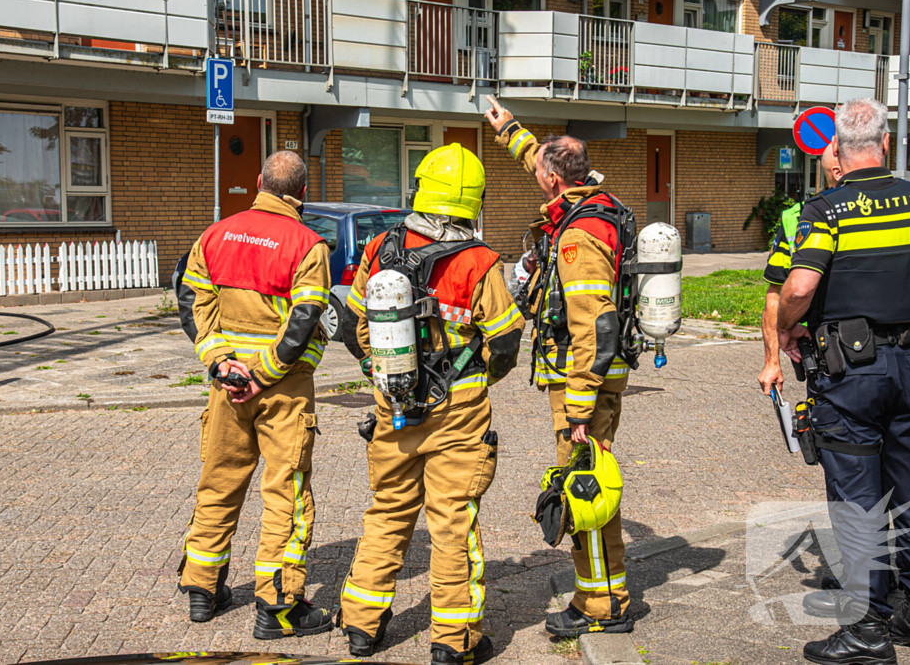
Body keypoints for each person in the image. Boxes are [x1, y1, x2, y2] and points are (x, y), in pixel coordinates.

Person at [777, 98, 910, 664]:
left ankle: (867, 629)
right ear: (886, 143)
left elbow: (799, 286)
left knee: (858, 501)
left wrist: (787, 327)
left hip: (851, 373)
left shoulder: (827, 209)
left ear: (837, 150)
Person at [337, 143, 524, 665]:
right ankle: (454, 640)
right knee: (452, 521)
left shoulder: (382, 246)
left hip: (392, 406)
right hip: (457, 412)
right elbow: (506, 343)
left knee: (387, 510)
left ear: (421, 188)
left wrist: (379, 371)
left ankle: (361, 626)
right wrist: (477, 377)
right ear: (474, 200)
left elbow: (353, 327)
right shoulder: (479, 262)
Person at [484, 96, 632, 637]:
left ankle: (602, 605)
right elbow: (543, 163)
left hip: (583, 381)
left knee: (585, 491)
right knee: (586, 485)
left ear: (553, 180)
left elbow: (594, 326)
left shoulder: (577, 236)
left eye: (541, 172)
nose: (538, 177)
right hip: (590, 377)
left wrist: (578, 409)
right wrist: (509, 130)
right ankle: (603, 594)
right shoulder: (591, 199)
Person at [177, 151, 335, 639]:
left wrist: (221, 363)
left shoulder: (215, 235)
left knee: (218, 482)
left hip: (227, 388)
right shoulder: (308, 245)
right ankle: (278, 607)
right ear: (303, 193)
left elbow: (191, 301)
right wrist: (262, 375)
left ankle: (203, 589)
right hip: (282, 390)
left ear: (258, 182)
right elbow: (305, 319)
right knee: (286, 492)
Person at [758, 145, 842, 394]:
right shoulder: (798, 217)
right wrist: (771, 361)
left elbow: (786, 294)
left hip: (838, 351)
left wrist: (776, 351)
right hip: (832, 350)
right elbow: (776, 293)